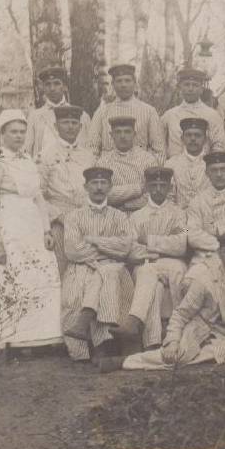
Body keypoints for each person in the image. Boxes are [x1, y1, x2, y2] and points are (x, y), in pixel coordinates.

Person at [99, 233, 225, 372]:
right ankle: (125, 361)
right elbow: (181, 314)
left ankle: (128, 362)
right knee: (175, 356)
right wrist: (172, 341)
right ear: (219, 253)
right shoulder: (205, 278)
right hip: (201, 329)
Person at [0, 109, 61, 352]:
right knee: (12, 276)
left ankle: (42, 337)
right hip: (9, 226)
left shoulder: (28, 161)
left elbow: (38, 197)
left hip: (33, 227)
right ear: (2, 134)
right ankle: (10, 339)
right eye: (13, 132)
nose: (19, 136)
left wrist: (47, 230)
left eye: (22, 132)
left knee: (39, 276)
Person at [109, 167, 190, 352]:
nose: (158, 189)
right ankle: (152, 341)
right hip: (147, 263)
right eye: (154, 185)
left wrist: (149, 240)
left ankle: (169, 328)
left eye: (163, 185)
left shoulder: (179, 213)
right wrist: (160, 250)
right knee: (151, 279)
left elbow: (181, 245)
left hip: (173, 263)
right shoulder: (137, 216)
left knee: (168, 270)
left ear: (170, 187)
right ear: (147, 186)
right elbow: (131, 250)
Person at [60, 167, 137, 362]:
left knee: (108, 276)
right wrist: (109, 247)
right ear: (86, 186)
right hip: (82, 267)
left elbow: (125, 248)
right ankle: (88, 351)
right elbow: (72, 251)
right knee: (79, 291)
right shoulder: (74, 216)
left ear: (110, 187)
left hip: (113, 267)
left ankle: (103, 346)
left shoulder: (120, 216)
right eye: (95, 183)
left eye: (103, 183)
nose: (99, 187)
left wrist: (93, 240)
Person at [36, 104, 96, 275]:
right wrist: (59, 216)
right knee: (60, 267)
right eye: (65, 122)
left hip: (86, 219)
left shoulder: (88, 156)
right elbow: (38, 194)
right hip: (60, 221)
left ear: (80, 126)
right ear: (56, 126)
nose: (70, 127)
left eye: (74, 122)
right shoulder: (45, 155)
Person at [87, 64, 165, 161]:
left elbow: (159, 150)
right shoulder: (102, 112)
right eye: (119, 81)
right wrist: (99, 172)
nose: (123, 85)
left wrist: (149, 171)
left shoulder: (149, 111)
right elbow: (92, 149)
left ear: (135, 83)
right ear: (113, 84)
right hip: (108, 169)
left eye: (127, 80)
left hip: (140, 168)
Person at [96, 116, 159, 213]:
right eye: (118, 132)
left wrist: (126, 206)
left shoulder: (148, 160)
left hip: (143, 216)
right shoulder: (103, 162)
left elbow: (154, 193)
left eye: (127, 132)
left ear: (134, 134)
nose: (122, 136)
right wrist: (139, 188)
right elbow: (103, 194)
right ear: (111, 135)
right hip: (112, 217)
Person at [159, 67, 225, 158]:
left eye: (195, 85)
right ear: (180, 88)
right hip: (175, 168)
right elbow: (159, 144)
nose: (190, 89)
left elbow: (220, 145)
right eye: (186, 85)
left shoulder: (212, 115)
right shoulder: (169, 115)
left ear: (201, 89)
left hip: (203, 168)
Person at [25, 66, 91, 157]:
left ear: (64, 87)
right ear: (43, 88)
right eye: (48, 84)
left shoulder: (81, 115)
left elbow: (87, 147)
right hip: (44, 166)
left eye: (57, 84)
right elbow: (27, 149)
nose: (52, 88)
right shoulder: (35, 117)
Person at [164, 117, 211, 210]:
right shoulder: (171, 164)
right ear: (182, 138)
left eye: (197, 135)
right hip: (179, 217)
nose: (193, 139)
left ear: (205, 139)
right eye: (188, 135)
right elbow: (168, 197)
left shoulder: (211, 164)